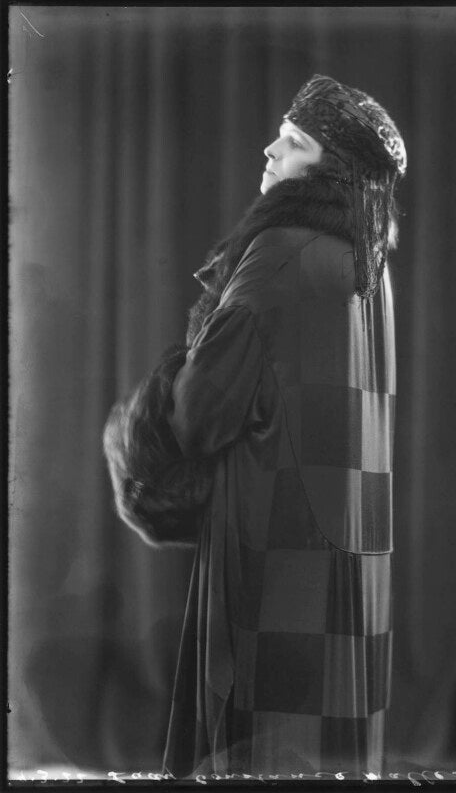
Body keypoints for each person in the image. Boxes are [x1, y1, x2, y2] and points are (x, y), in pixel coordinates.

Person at [103, 74, 406, 780]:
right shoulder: (369, 263)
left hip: (273, 533)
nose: (270, 149)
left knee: (257, 743)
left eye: (293, 141)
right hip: (352, 541)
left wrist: (153, 408)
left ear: (329, 167)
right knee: (329, 746)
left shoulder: (280, 251)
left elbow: (199, 414)